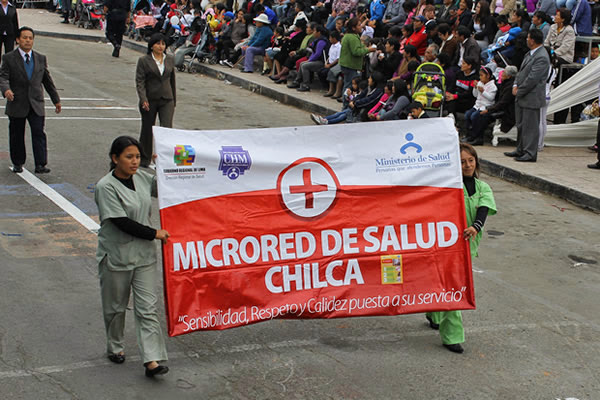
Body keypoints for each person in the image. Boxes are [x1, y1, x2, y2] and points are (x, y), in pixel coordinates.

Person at [94, 136, 170, 378]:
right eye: (129, 157)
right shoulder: (105, 186)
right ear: (115, 159)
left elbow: (169, 186)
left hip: (144, 257)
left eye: (137, 156)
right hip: (117, 257)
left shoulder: (143, 178)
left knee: (147, 308)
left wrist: (165, 165)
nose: (135, 162)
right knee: (115, 308)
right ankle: (115, 346)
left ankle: (152, 360)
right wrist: (154, 233)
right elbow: (120, 222)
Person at [426, 143, 496, 354]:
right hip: (447, 245)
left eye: (471, 161)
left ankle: (434, 313)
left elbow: (484, 209)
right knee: (455, 288)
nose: (467, 165)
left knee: (445, 283)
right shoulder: (450, 187)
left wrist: (475, 227)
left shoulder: (483, 187)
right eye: (462, 161)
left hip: (468, 246)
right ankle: (452, 336)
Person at [0, 27, 61, 174]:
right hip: (17, 102)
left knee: (39, 133)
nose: (28, 40)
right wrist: (6, 90)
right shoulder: (9, 58)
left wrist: (56, 100)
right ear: (17, 40)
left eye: (30, 38)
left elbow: (47, 80)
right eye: (24, 38)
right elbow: (3, 77)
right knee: (17, 134)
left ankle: (40, 164)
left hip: (36, 103)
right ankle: (18, 162)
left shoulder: (40, 58)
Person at [504, 29, 550, 162]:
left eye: (528, 38)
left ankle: (530, 152)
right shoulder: (529, 54)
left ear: (533, 40)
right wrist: (515, 85)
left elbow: (533, 79)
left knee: (531, 126)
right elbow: (521, 72)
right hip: (522, 95)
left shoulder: (541, 56)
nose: (526, 40)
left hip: (531, 96)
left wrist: (520, 90)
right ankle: (520, 149)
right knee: (521, 125)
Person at [135, 33, 176, 167]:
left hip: (167, 99)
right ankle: (145, 158)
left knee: (167, 129)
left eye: (163, 44)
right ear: (151, 45)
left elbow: (172, 80)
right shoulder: (144, 60)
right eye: (158, 43)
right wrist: (143, 99)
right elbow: (140, 81)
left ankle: (165, 158)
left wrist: (174, 99)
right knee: (147, 129)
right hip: (150, 99)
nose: (161, 46)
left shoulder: (169, 59)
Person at [339, 17, 376, 92]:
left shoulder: (350, 36)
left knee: (347, 84)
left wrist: (365, 47)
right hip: (350, 65)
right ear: (353, 28)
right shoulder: (352, 37)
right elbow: (356, 51)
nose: (361, 26)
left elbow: (360, 46)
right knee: (349, 86)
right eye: (359, 25)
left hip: (346, 64)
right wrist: (368, 50)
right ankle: (346, 102)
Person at [463, 66, 497, 145]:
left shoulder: (493, 86)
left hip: (485, 107)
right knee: (467, 115)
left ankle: (477, 137)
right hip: (477, 106)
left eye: (482, 75)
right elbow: (475, 95)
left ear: (487, 76)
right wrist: (475, 88)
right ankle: (469, 135)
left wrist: (483, 91)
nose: (480, 77)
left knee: (474, 117)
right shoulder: (480, 83)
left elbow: (491, 98)